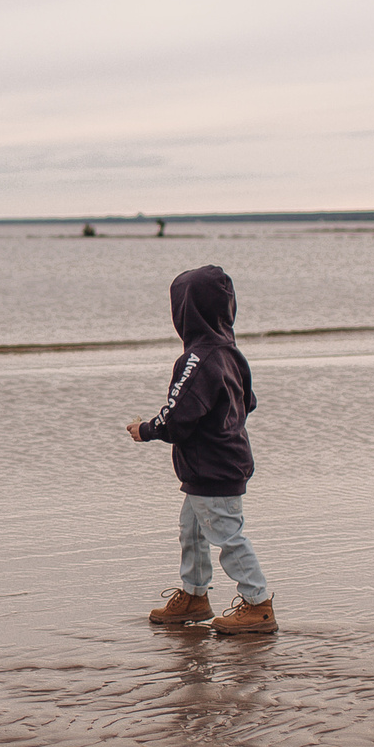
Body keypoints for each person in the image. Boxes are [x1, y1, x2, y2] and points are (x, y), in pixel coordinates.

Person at [124, 265, 273, 633]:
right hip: (218, 464)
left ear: (185, 312)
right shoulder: (230, 353)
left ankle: (258, 604)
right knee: (191, 529)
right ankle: (194, 595)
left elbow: (178, 416)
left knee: (226, 535)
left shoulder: (196, 359)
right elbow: (247, 402)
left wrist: (147, 429)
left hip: (214, 468)